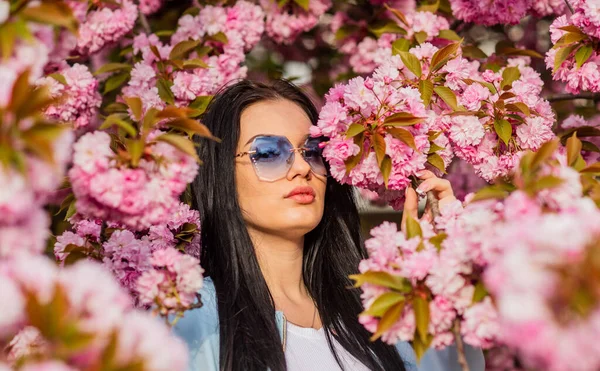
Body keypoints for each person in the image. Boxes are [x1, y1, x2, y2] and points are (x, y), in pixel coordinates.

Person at [173, 79, 484, 371]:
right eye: (268, 152)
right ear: (221, 173)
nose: (301, 168)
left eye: (312, 151)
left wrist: (439, 275)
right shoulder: (193, 315)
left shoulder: (374, 307)